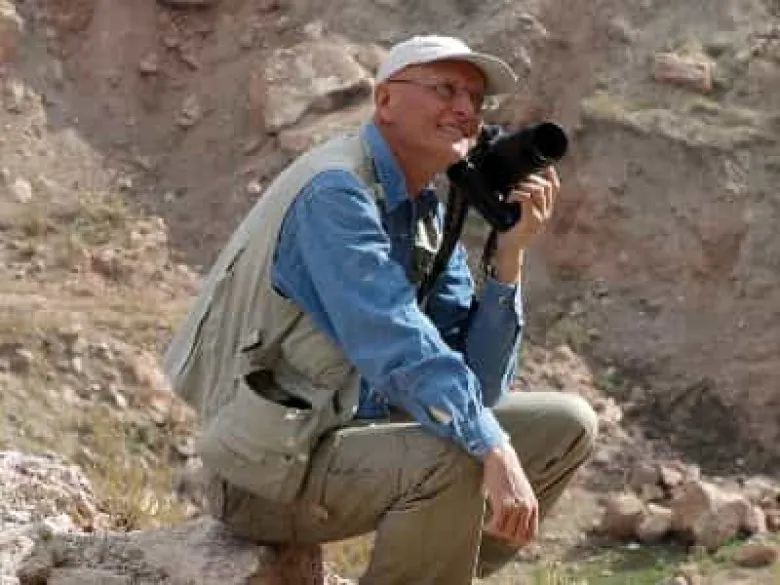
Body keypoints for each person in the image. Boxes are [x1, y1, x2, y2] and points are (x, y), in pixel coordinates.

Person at [163, 34, 598, 585]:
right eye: (446, 89)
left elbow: (482, 385)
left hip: (346, 436)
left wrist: (508, 260)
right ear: (385, 100)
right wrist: (493, 449)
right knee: (464, 451)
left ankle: (444, 569)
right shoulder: (335, 193)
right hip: (266, 469)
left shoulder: (423, 211)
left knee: (567, 424)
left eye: (475, 99)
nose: (465, 109)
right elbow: (394, 337)